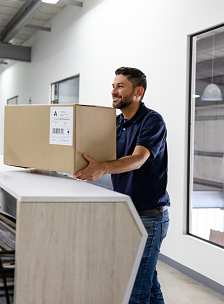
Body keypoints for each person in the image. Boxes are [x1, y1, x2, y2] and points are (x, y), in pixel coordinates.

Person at [74, 66, 170, 304]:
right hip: (126, 212)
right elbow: (94, 153)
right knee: (148, 282)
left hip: (149, 215)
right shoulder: (116, 123)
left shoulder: (152, 121)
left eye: (120, 86)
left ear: (138, 91)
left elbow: (138, 160)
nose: (113, 91)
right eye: (113, 86)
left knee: (135, 291)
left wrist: (103, 168)